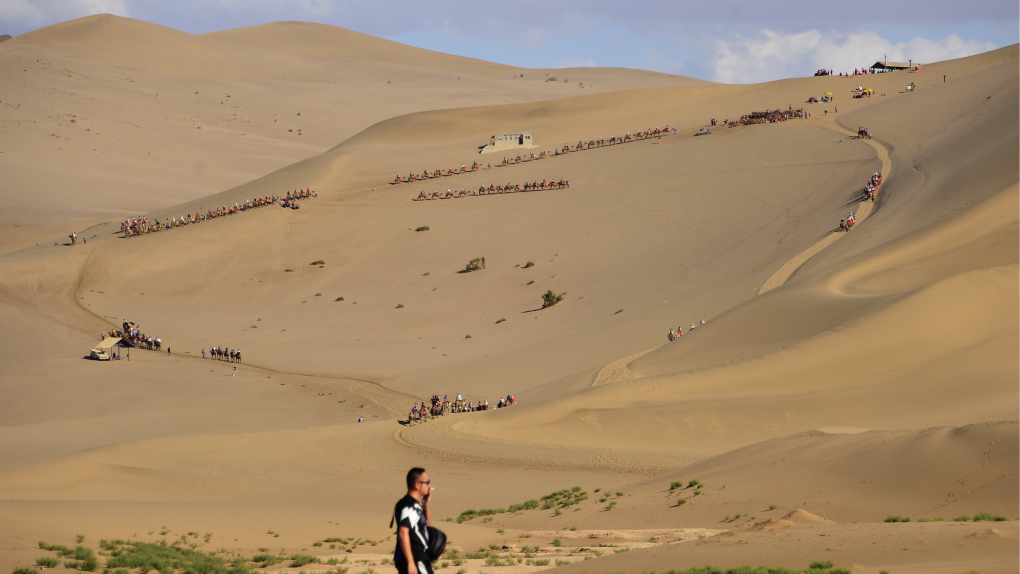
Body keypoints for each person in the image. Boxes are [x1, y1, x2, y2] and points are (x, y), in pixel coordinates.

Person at [393, 468, 433, 574]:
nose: (429, 485)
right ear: (417, 485)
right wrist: (410, 562)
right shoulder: (409, 506)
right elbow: (403, 532)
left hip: (419, 558)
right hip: (416, 558)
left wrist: (426, 506)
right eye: (427, 482)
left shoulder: (414, 505)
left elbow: (427, 528)